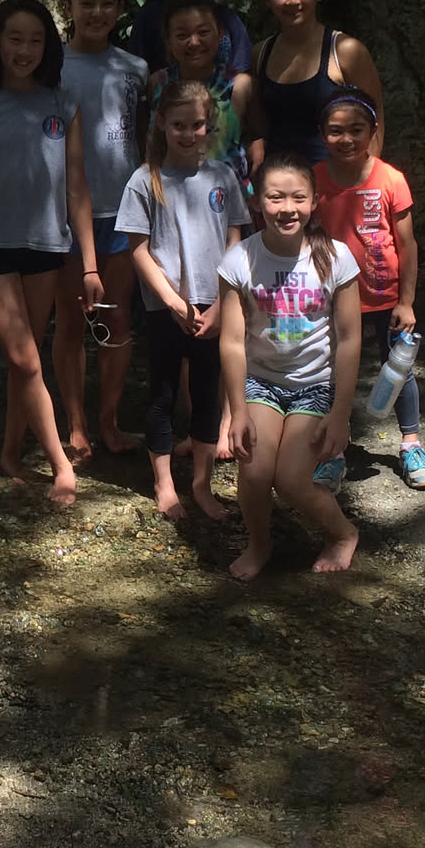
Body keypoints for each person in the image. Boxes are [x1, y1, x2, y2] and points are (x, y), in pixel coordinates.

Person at [0, 0, 103, 505]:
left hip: (46, 244)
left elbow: (76, 185)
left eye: (35, 40)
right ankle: (60, 464)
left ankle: (9, 453)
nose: (25, 50)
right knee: (23, 358)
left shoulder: (63, 103)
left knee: (27, 360)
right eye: (15, 39)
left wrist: (89, 264)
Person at [217, 152, 363, 580]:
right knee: (255, 472)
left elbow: (350, 340)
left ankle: (342, 533)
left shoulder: (336, 258)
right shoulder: (239, 260)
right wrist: (236, 411)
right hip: (261, 382)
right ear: (256, 201)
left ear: (314, 201)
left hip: (315, 384)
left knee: (293, 481)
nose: (287, 208)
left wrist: (340, 415)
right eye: (275, 197)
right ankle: (259, 544)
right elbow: (231, 342)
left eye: (298, 197)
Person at [117, 80, 250, 521]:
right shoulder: (144, 180)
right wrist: (173, 302)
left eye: (197, 125)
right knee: (163, 392)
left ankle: (202, 485)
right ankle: (164, 483)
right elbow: (139, 250)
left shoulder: (222, 177)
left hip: (213, 305)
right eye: (179, 125)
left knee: (208, 394)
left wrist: (222, 303)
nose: (188, 134)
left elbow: (235, 241)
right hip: (166, 307)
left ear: (209, 126)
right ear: (161, 123)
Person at [314, 87, 425, 491]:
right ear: (322, 133)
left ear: (373, 131)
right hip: (333, 299)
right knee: (329, 373)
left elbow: (407, 244)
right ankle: (332, 451)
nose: (346, 139)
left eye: (356, 129)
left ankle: (411, 445)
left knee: (398, 369)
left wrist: (407, 301)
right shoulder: (314, 180)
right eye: (335, 131)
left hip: (385, 298)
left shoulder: (390, 179)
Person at [52, 0, 144, 459]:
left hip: (125, 208)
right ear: (69, 7)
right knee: (71, 319)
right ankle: (76, 422)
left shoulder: (135, 68)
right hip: (68, 210)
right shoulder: (52, 67)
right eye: (86, 2)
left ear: (119, 9)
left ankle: (110, 419)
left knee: (117, 316)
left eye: (107, 2)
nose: (97, 12)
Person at [249, 0, 384, 168]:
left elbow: (375, 119)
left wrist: (367, 178)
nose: (293, 0)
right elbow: (260, 126)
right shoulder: (260, 54)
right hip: (278, 181)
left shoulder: (346, 51)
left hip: (336, 180)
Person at [152, 0, 253, 194]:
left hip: (229, 202)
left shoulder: (239, 85)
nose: (194, 42)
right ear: (168, 40)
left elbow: (257, 138)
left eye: (203, 32)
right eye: (182, 35)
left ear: (220, 33)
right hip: (172, 199)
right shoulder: (158, 83)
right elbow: (151, 144)